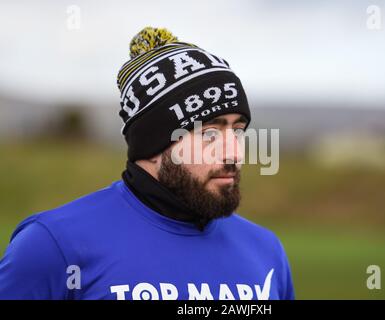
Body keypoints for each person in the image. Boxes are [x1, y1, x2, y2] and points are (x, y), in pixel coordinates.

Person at [0, 27, 295, 300]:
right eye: (210, 133)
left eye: (238, 130)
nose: (234, 153)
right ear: (154, 144)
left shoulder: (266, 252)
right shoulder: (53, 246)